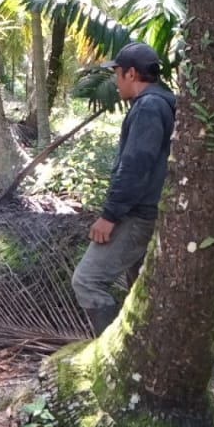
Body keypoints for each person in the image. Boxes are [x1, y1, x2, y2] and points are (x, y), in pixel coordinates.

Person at [72, 41, 176, 336]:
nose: (115, 83)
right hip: (152, 211)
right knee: (141, 290)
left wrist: (110, 215)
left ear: (131, 74)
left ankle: (112, 352)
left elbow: (135, 165)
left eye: (117, 74)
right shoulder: (163, 102)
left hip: (137, 214)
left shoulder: (149, 107)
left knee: (87, 280)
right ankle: (145, 354)